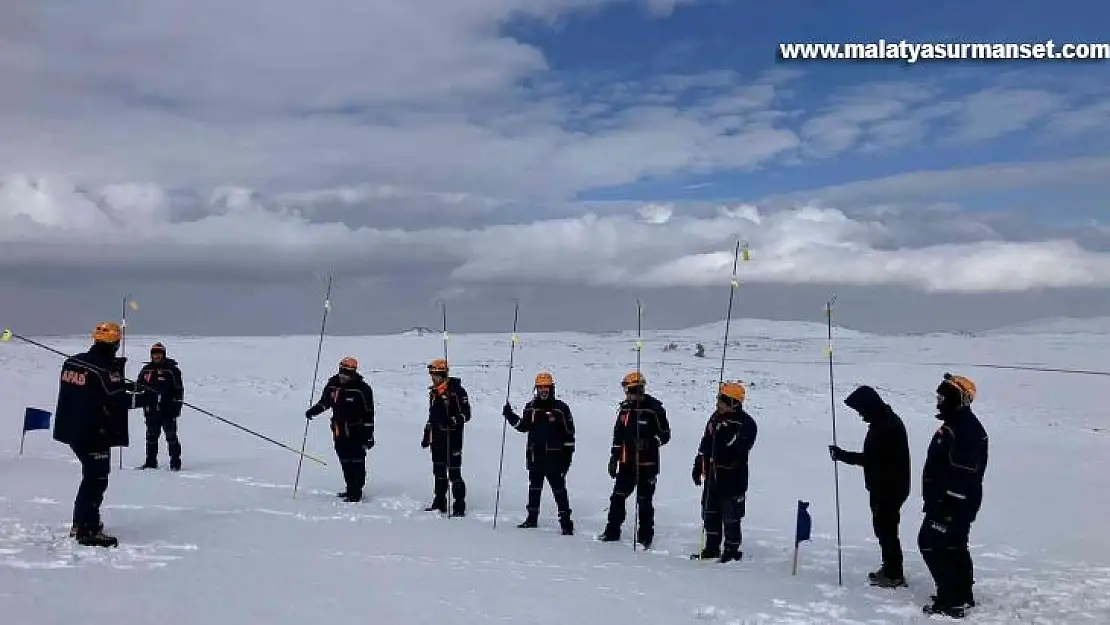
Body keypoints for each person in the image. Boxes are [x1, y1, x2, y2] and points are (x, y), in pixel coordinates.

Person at [52, 321, 148, 547]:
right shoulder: (104, 369)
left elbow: (96, 391)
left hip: (72, 429)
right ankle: (88, 530)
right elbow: (116, 400)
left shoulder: (72, 362)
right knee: (96, 479)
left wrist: (122, 385)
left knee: (90, 477)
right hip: (94, 432)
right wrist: (147, 398)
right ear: (115, 343)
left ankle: (81, 522)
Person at [919, 373, 989, 619]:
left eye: (942, 397)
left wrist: (947, 504)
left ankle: (951, 600)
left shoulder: (964, 429)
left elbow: (962, 473)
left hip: (952, 503)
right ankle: (962, 594)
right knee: (954, 544)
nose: (938, 401)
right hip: (953, 501)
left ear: (955, 399)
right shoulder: (957, 425)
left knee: (930, 543)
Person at [828, 385, 911, 588]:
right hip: (885, 486)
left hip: (889, 489)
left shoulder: (886, 427)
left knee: (886, 530)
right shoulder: (883, 421)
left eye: (861, 410)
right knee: (884, 529)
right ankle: (891, 568)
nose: (860, 415)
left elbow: (871, 459)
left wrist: (842, 455)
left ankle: (894, 574)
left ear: (870, 406)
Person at [598, 371, 670, 548]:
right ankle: (612, 531)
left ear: (638, 389)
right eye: (625, 391)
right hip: (626, 462)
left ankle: (645, 536)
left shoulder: (654, 409)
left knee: (644, 501)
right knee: (617, 497)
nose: (626, 394)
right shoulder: (624, 409)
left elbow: (665, 435)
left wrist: (649, 442)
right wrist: (613, 458)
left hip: (647, 464)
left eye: (629, 390)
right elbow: (618, 436)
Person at [690, 381, 757, 563]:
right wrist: (698, 464)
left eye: (722, 400)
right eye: (719, 398)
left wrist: (724, 435)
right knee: (709, 513)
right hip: (712, 477)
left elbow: (739, 449)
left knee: (731, 516)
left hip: (733, 478)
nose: (718, 403)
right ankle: (711, 548)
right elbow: (705, 442)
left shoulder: (747, 424)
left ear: (734, 402)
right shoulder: (714, 418)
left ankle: (731, 551)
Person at [502, 371, 576, 535]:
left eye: (546, 387)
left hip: (555, 459)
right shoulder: (531, 407)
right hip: (535, 457)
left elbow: (569, 435)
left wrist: (567, 460)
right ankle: (531, 519)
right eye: (540, 387)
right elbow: (522, 426)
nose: (543, 390)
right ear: (536, 389)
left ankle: (566, 524)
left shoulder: (561, 409)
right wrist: (509, 415)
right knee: (534, 490)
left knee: (559, 492)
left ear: (551, 388)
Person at [305, 357, 376, 502]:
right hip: (339, 430)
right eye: (342, 373)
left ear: (353, 373)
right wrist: (314, 411)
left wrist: (369, 435)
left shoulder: (362, 389)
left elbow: (369, 413)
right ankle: (349, 488)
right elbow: (325, 402)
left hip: (357, 430)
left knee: (356, 460)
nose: (343, 377)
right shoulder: (333, 385)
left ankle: (356, 491)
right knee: (344, 459)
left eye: (347, 374)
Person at [421, 358, 470, 516]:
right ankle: (439, 502)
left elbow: (467, 414)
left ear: (443, 374)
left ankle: (459, 505)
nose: (433, 378)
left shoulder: (457, 392)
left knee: (454, 473)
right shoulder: (434, 392)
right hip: (437, 439)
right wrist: (427, 433)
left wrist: (453, 420)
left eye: (436, 375)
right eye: (432, 374)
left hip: (453, 439)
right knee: (439, 472)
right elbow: (432, 416)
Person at [136, 342, 185, 471]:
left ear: (163, 354)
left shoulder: (172, 370)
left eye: (159, 354)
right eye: (154, 354)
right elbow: (138, 386)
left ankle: (175, 463)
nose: (156, 356)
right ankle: (151, 463)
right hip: (151, 410)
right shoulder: (146, 370)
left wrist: (176, 407)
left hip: (168, 410)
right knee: (151, 436)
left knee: (171, 437)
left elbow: (179, 390)